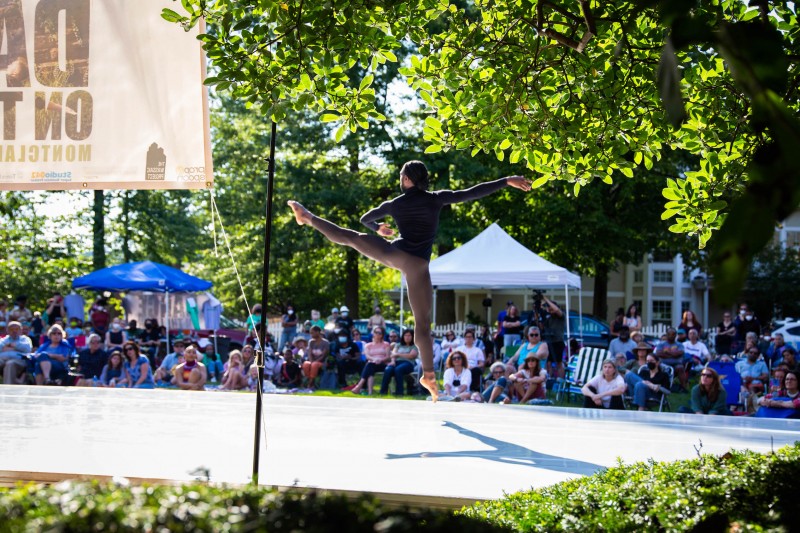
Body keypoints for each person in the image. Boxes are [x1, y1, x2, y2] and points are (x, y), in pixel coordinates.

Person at [288, 161, 531, 401]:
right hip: (417, 266)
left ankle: (307, 217)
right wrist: (506, 181)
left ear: (406, 179)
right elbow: (471, 192)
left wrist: (378, 229)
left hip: (393, 254)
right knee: (423, 325)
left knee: (350, 237)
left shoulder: (394, 204)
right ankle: (429, 377)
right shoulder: (436, 198)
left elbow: (365, 219)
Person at [350, 326, 391, 394]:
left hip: (383, 364)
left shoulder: (386, 344)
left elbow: (388, 357)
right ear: (373, 333)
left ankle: (359, 386)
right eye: (376, 332)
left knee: (369, 366)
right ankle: (370, 392)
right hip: (372, 363)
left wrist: (380, 360)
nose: (377, 334)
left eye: (379, 333)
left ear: (382, 335)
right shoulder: (368, 345)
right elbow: (368, 356)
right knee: (370, 367)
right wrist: (374, 359)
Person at [381, 328, 419, 396]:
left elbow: (412, 356)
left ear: (413, 337)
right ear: (403, 336)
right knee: (388, 369)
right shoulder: (398, 345)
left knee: (398, 369)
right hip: (396, 362)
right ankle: (383, 392)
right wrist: (392, 361)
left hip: (408, 363)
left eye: (409, 335)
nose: (407, 337)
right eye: (405, 335)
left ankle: (399, 392)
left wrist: (398, 354)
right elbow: (393, 354)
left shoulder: (414, 346)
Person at [0, 320, 32, 385]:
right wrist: (17, 348)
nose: (14, 331)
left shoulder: (25, 339)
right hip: (3, 359)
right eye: (11, 329)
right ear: (7, 331)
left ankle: (8, 388)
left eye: (16, 329)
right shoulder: (3, 339)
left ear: (20, 330)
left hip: (19, 360)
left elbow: (27, 349)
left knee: (10, 364)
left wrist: (13, 346)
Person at [655, 327, 687, 391]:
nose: (671, 336)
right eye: (669, 334)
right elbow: (658, 354)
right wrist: (673, 355)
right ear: (666, 334)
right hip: (663, 365)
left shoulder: (679, 344)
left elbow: (679, 353)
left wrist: (666, 352)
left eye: (673, 334)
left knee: (680, 367)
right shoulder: (661, 344)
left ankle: (683, 388)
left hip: (676, 364)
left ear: (676, 335)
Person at [541, 295, 566, 378]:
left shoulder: (560, 315)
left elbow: (556, 310)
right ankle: (550, 379)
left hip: (558, 341)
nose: (550, 310)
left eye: (550, 308)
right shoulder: (548, 317)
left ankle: (560, 381)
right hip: (549, 341)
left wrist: (546, 299)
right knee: (548, 362)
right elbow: (542, 327)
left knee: (559, 362)